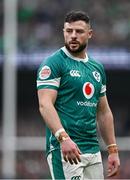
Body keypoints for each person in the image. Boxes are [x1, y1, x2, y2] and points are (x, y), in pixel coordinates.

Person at [37, 10, 120, 180]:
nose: (73, 36)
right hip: (65, 149)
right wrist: (63, 138)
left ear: (89, 34)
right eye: (69, 31)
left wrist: (112, 149)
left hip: (93, 149)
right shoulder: (54, 63)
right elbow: (45, 104)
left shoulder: (97, 68)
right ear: (63, 32)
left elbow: (104, 112)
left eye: (79, 31)